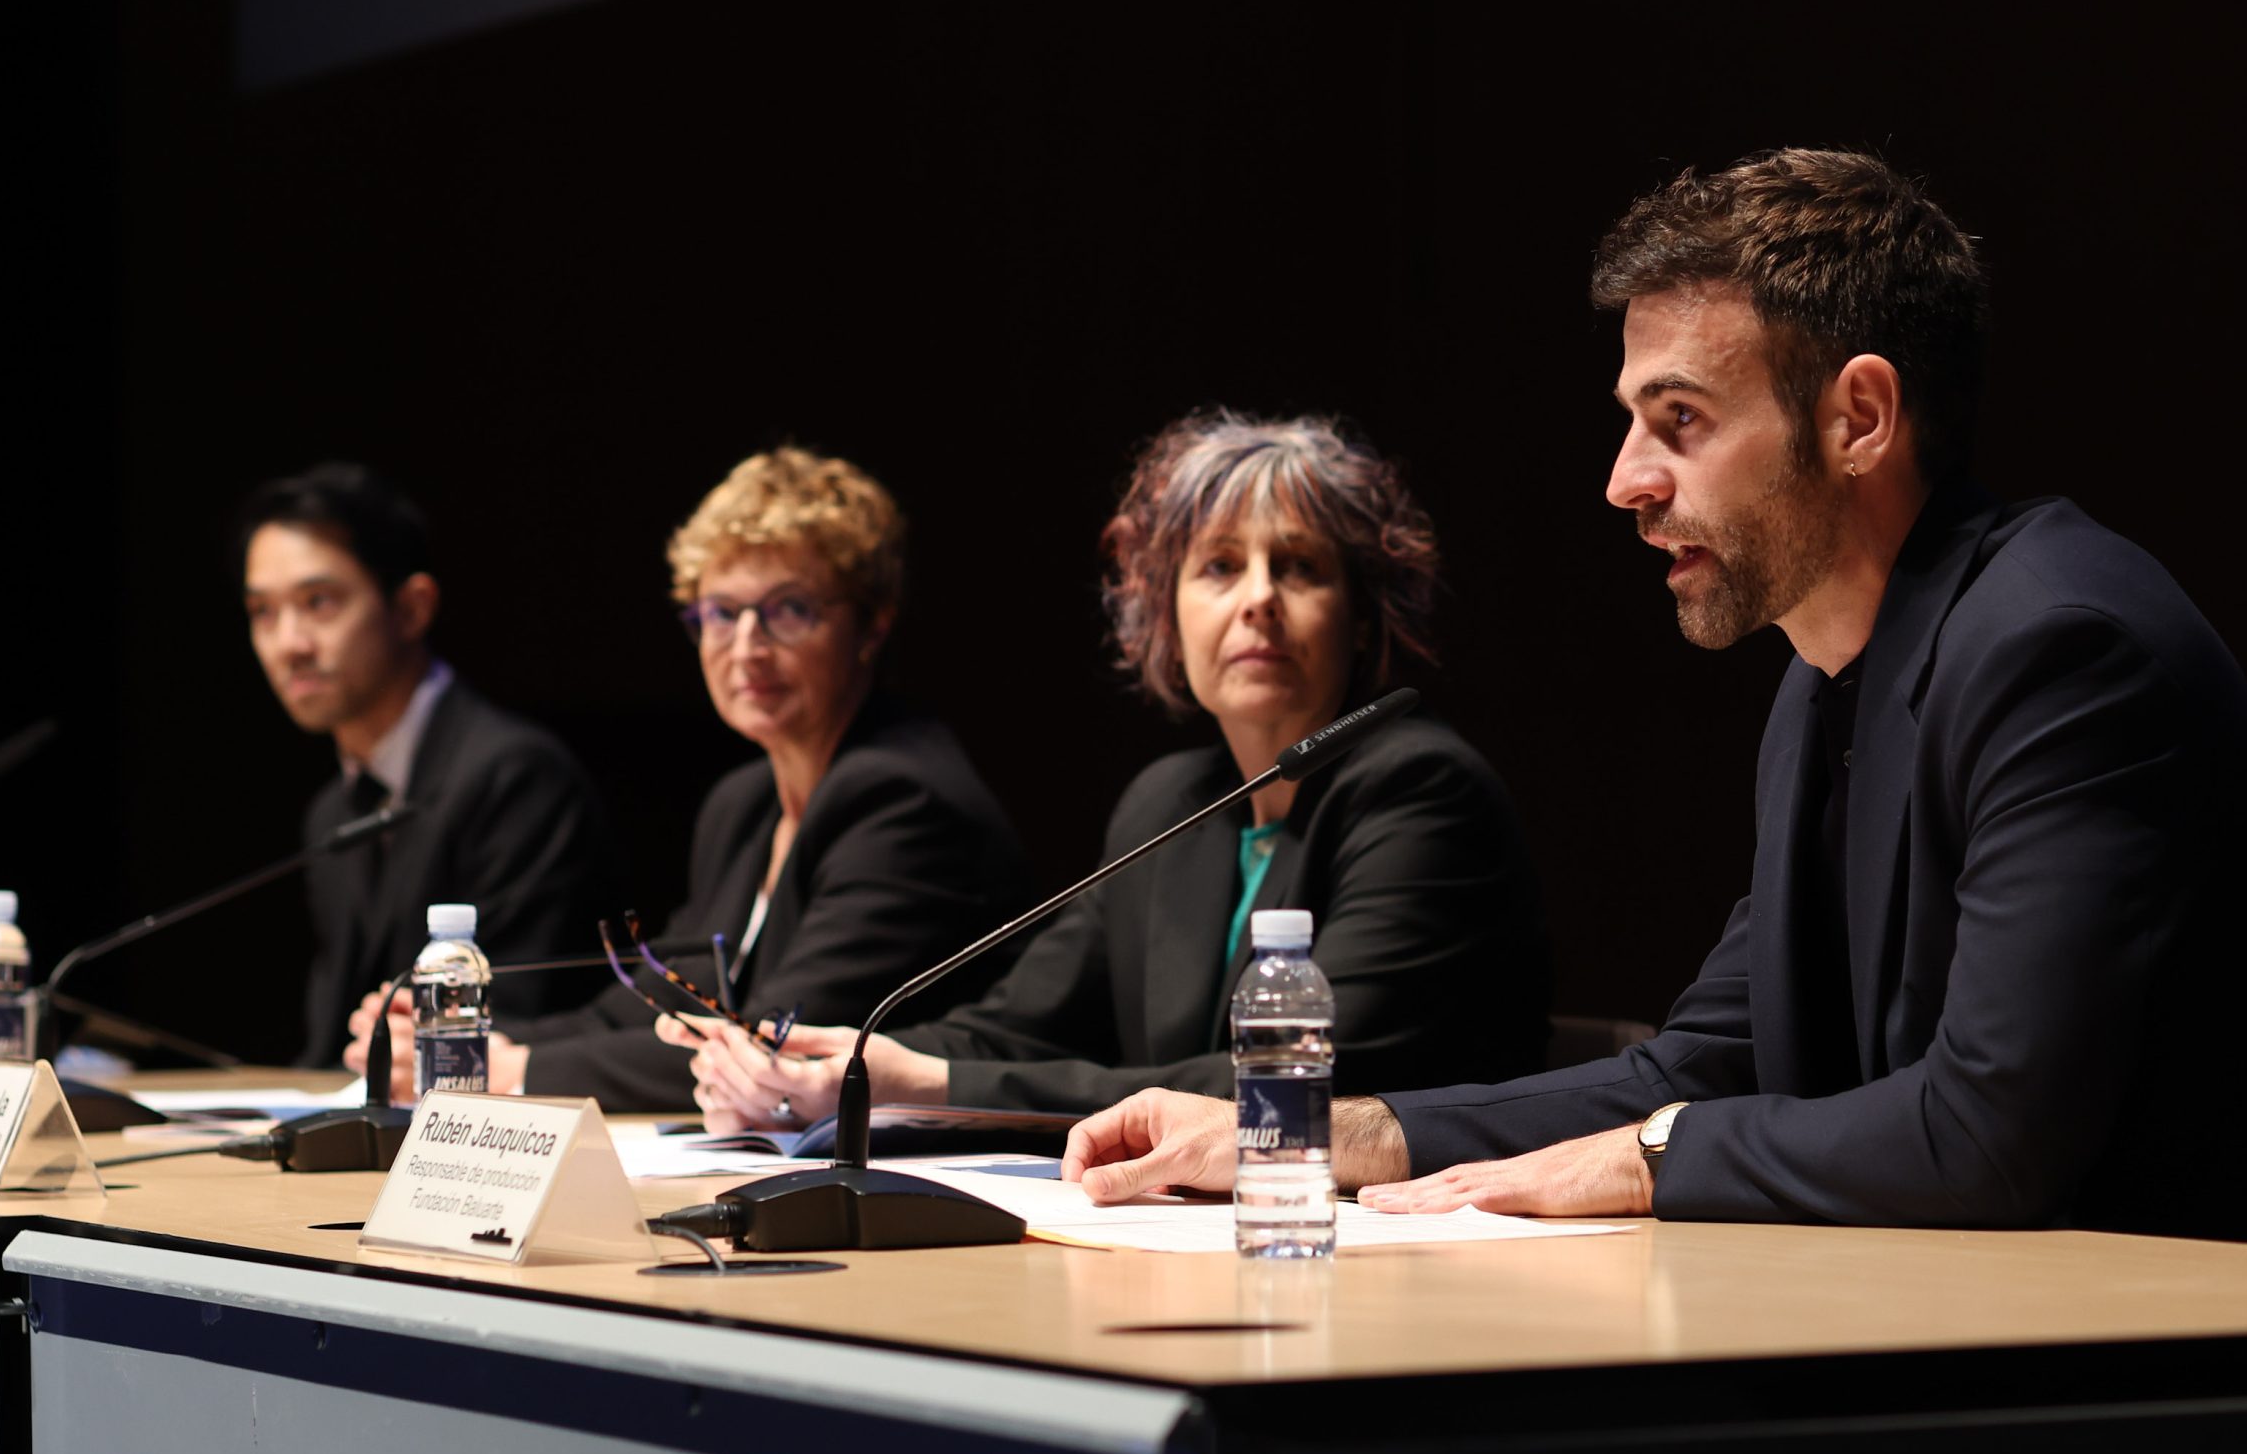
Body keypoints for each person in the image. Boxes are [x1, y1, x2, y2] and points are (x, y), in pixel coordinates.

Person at [1063, 151, 2247, 1255]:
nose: (1624, 480)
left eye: (1681, 420)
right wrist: (1325, 1131)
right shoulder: (1822, 690)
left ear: (1858, 418)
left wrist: (1648, 1159)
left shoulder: (2061, 648)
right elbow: (1708, 1060)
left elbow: (1989, 1130)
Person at [665, 411, 1548, 1126]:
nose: (1258, 599)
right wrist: (846, 1062)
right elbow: (1018, 1024)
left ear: (1360, 616)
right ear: (1168, 613)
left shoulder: (1418, 791)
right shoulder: (1172, 803)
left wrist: (929, 1083)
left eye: (1301, 568)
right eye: (1220, 566)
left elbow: (1288, 1079)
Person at [349, 446, 1034, 1109]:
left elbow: (773, 1046)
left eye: (789, 609)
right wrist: (464, 1037)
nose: (746, 647)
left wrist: (510, 1069)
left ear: (871, 625)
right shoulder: (744, 805)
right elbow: (650, 1003)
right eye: (721, 613)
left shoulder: (902, 799)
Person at [241, 463, 618, 1065]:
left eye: (319, 602)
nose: (289, 643)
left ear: (412, 608)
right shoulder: (333, 811)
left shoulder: (515, 777)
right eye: (263, 612)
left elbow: (519, 1015)